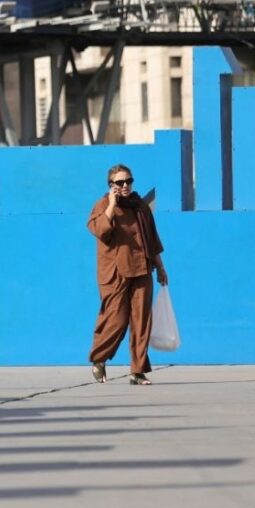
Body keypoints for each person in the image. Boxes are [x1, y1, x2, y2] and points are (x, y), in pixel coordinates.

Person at [87, 164, 169, 386]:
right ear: (111, 185)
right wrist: (112, 206)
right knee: (116, 319)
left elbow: (152, 239)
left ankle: (138, 370)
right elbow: (99, 230)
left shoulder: (140, 206)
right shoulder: (103, 204)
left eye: (128, 181)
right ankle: (99, 358)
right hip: (115, 273)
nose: (125, 186)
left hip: (142, 268)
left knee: (142, 321)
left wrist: (160, 267)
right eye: (120, 182)